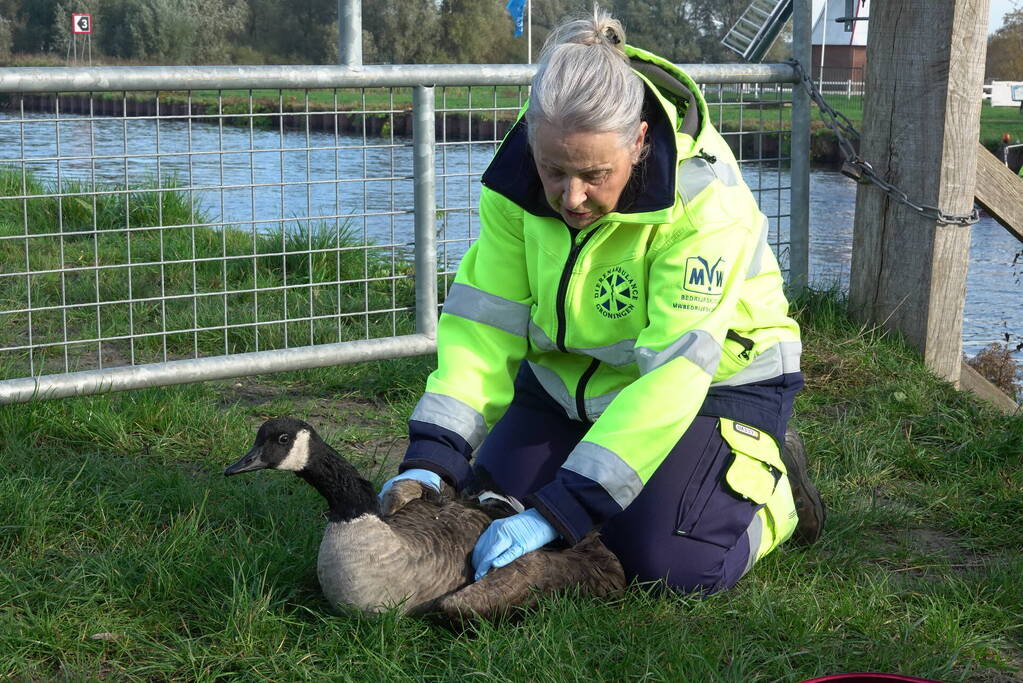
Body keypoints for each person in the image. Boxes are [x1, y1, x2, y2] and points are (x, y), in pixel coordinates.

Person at [379, 7, 824, 594]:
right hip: (565, 383)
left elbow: (673, 373)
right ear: (533, 136)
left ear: (640, 141)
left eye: (594, 174)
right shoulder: (515, 181)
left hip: (713, 385)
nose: (571, 196)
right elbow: (484, 326)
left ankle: (775, 497)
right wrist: (432, 455)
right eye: (554, 169)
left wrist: (567, 507)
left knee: (667, 563)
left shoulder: (705, 205)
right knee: (487, 506)